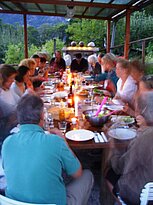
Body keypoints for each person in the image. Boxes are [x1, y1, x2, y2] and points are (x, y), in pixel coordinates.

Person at [1, 94, 94, 205]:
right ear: (42, 116)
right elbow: (77, 173)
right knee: (87, 175)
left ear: (19, 117)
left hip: (12, 202)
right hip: (53, 202)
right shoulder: (55, 141)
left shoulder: (7, 143)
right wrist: (64, 142)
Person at [106, 91, 153, 205]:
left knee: (108, 172)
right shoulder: (146, 134)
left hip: (139, 194)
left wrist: (113, 147)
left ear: (142, 112)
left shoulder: (146, 138)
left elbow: (120, 167)